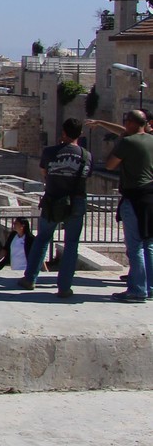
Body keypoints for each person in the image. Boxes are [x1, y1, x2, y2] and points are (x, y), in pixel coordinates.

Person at [20, 117, 91, 297]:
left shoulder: (50, 152)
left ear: (63, 133)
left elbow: (44, 171)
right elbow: (86, 176)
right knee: (71, 244)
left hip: (53, 200)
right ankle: (64, 287)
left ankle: (30, 278)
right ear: (80, 134)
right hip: (76, 202)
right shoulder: (86, 155)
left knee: (42, 238)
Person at [88, 109, 153, 302]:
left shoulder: (126, 142)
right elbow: (124, 132)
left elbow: (109, 165)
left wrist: (119, 145)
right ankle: (150, 287)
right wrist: (101, 122)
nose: (124, 125)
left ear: (132, 123)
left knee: (135, 247)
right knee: (149, 244)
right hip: (151, 196)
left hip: (133, 197)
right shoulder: (150, 139)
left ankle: (137, 290)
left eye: (126, 121)